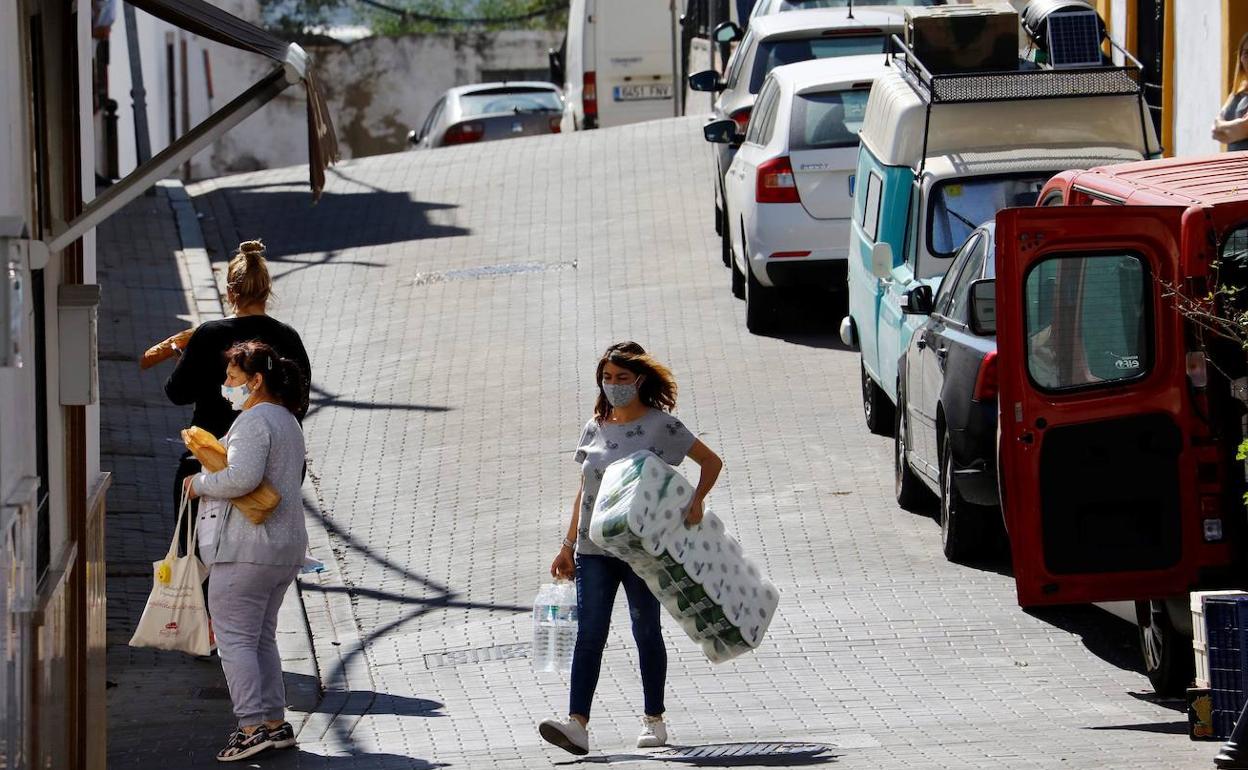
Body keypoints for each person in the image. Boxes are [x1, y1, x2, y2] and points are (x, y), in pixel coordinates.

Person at [538, 342, 724, 756]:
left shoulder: (663, 426)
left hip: (643, 550)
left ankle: (653, 719)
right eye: (607, 378)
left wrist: (695, 502)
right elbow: (584, 490)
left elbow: (711, 463)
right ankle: (577, 725)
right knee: (590, 634)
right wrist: (567, 545)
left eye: (622, 378)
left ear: (640, 380)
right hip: (594, 549)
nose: (614, 385)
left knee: (645, 630)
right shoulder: (595, 426)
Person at [183, 341, 309, 762]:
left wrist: (198, 484)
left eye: (233, 378)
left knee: (235, 639)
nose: (227, 384)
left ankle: (251, 726)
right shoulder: (288, 420)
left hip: (247, 547)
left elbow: (242, 478)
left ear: (256, 381)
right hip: (284, 547)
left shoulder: (256, 422)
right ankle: (274, 722)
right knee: (260, 638)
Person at [166, 240, 311, 553]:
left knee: (196, 561)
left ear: (231, 292)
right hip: (274, 470)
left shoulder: (208, 334)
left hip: (209, 461)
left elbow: (176, 393)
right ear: (266, 290)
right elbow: (301, 402)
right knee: (260, 563)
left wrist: (185, 360)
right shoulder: (288, 338)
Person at [1213, 32, 1248, 151]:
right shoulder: (1238, 91)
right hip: (1233, 164)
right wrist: (1237, 126)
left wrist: (1225, 129)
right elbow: (1215, 130)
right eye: (1246, 53)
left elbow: (1244, 128)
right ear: (1240, 58)